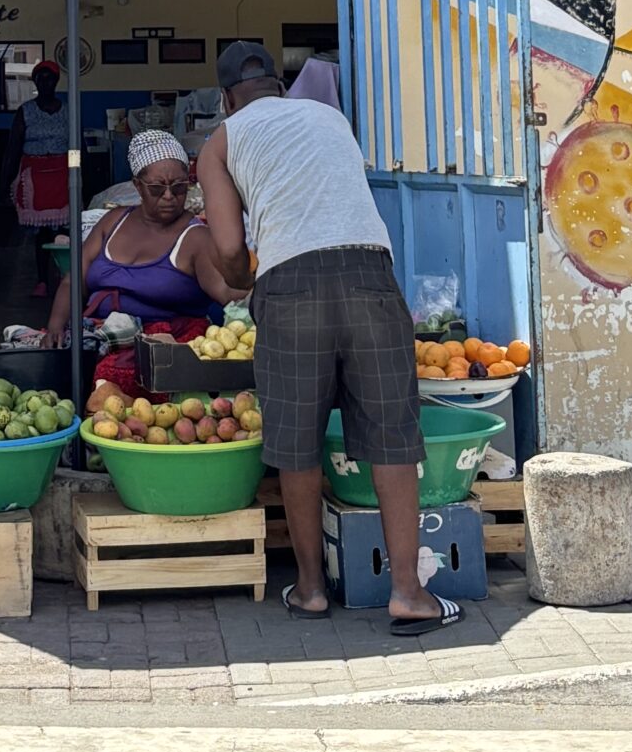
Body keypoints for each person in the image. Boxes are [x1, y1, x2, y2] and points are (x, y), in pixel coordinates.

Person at [196, 41, 458, 635]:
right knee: (392, 434)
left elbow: (230, 247)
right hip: (370, 273)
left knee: (297, 440)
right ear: (279, 85)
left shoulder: (221, 141)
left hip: (289, 285)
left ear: (226, 99)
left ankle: (311, 589)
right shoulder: (329, 116)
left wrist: (243, 281)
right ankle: (408, 592)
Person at [41, 131, 243, 346]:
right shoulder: (113, 221)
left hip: (161, 346)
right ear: (137, 186)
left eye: (179, 187)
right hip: (99, 336)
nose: (169, 196)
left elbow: (224, 290)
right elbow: (73, 281)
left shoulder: (196, 237)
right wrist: (56, 327)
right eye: (156, 188)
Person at [7, 58, 70, 295]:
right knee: (43, 233)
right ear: (34, 82)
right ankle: (42, 280)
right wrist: (5, 182)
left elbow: (77, 145)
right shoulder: (25, 111)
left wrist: (79, 172)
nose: (45, 83)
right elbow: (13, 149)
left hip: (63, 174)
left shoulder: (68, 110)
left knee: (64, 231)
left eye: (49, 78)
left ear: (56, 81)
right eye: (40, 79)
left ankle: (65, 278)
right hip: (36, 176)